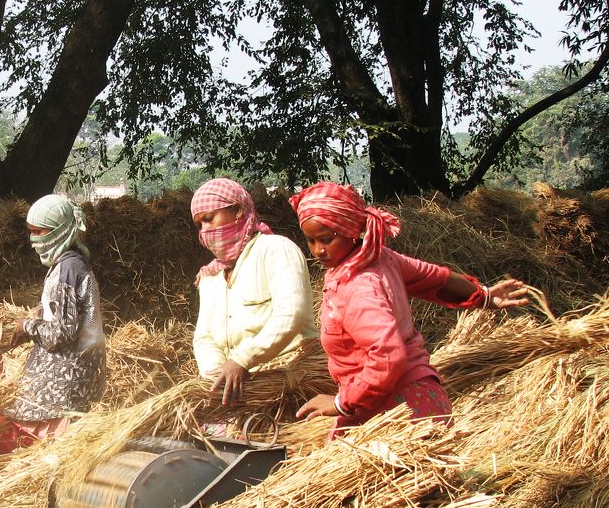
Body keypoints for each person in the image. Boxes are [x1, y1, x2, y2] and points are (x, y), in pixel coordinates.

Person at [289, 181, 529, 436]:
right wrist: (484, 295)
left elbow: (388, 354)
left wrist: (340, 402)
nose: (318, 250)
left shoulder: (358, 288)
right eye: (311, 240)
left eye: (327, 239)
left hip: (399, 411)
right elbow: (436, 277)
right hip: (417, 396)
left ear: (350, 230)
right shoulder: (377, 258)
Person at [0, 194, 106, 453]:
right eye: (30, 233)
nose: (34, 241)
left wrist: (26, 327)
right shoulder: (69, 264)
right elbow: (64, 313)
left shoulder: (68, 269)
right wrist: (38, 315)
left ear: (60, 230)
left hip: (68, 373)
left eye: (39, 232)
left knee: (40, 437)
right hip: (75, 368)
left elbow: (61, 334)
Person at [191, 178, 318, 405]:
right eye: (199, 225)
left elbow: (292, 314)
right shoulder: (210, 276)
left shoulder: (275, 250)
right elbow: (204, 337)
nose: (205, 231)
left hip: (290, 380)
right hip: (241, 389)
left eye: (209, 219)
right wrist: (216, 375)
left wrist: (242, 360)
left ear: (238, 211)